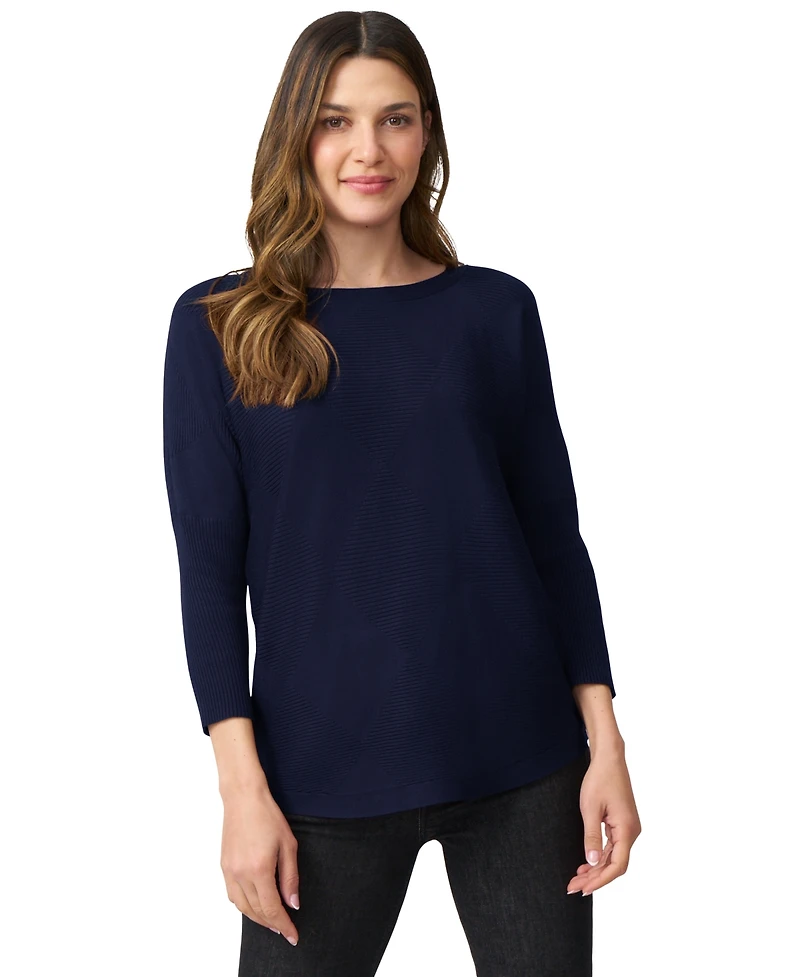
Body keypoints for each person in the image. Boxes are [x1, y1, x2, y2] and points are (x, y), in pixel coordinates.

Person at [162, 10, 641, 976]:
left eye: (395, 119)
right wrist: (240, 789)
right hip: (318, 773)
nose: (367, 151)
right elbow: (208, 569)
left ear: (428, 135)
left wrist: (607, 742)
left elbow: (554, 540)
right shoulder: (220, 325)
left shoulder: (495, 310)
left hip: (522, 760)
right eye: (335, 121)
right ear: (295, 136)